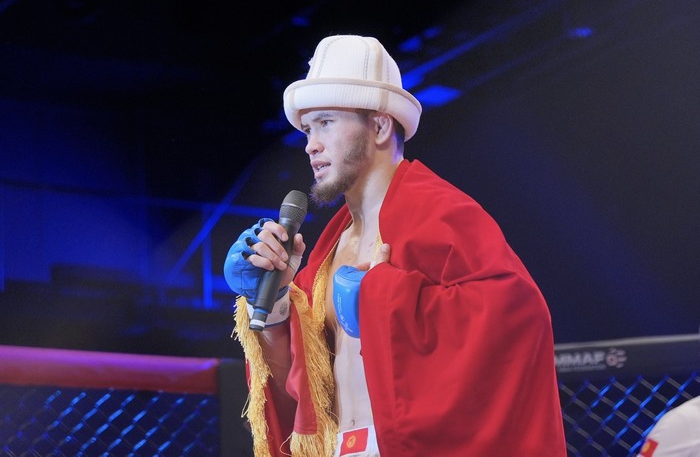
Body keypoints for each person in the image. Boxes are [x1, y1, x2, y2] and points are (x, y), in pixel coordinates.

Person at [224, 34, 566, 456]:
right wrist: (277, 300)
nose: (311, 144)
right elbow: (304, 391)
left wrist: (386, 298)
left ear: (380, 126)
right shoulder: (328, 250)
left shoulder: (439, 211)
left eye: (326, 122)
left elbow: (520, 316)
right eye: (308, 129)